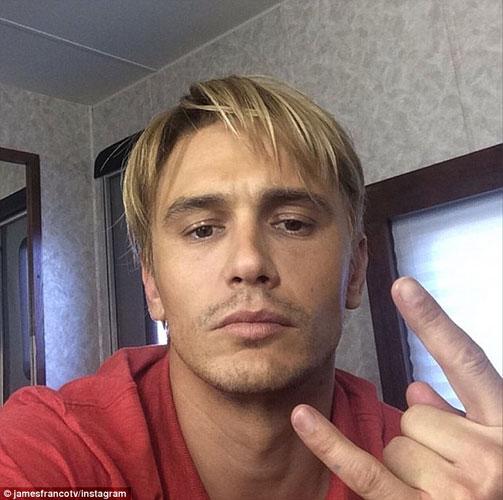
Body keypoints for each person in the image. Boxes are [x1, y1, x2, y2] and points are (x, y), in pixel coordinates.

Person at [0, 75, 501, 500]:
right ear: (152, 285)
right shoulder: (53, 450)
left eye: (293, 223)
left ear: (354, 271)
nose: (249, 262)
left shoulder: (432, 479)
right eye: (202, 230)